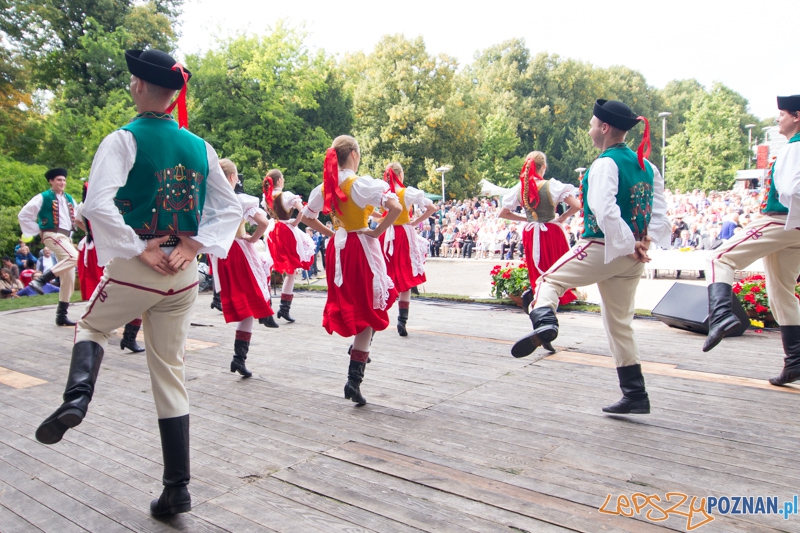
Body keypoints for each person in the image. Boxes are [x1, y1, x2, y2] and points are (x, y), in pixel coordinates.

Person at [33, 49, 241, 518]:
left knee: (90, 327)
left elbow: (96, 206)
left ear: (141, 86)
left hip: (139, 266)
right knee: (170, 373)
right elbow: (230, 209)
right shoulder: (201, 147)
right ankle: (177, 490)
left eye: (132, 81)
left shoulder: (123, 139)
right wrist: (192, 246)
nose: (130, 86)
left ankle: (77, 398)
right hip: (184, 274)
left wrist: (140, 247)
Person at [512, 99, 670, 415]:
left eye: (591, 124)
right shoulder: (646, 166)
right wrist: (644, 240)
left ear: (604, 127)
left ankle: (545, 322)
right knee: (619, 324)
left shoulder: (605, 164)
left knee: (548, 279)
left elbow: (603, 210)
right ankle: (635, 393)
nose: (588, 129)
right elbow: (659, 210)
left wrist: (627, 243)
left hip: (604, 246)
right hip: (633, 254)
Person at [704, 95, 800, 388]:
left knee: (721, 257)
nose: (778, 119)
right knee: (781, 290)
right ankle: (795, 360)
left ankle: (720, 315)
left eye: (781, 114)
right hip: (791, 227)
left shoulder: (794, 148)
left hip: (782, 220)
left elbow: (792, 189)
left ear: (797, 116)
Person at [301, 135, 401, 406]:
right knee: (369, 309)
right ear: (354, 154)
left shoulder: (325, 187)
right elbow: (395, 206)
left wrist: (331, 232)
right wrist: (377, 231)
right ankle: (354, 378)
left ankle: (360, 351)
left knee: (357, 304)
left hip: (339, 248)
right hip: (360, 245)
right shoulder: (359, 183)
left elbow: (306, 217)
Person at [212, 159, 276, 377]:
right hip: (239, 251)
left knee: (243, 306)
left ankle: (238, 359)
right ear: (232, 178)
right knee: (250, 303)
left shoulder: (211, 199)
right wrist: (252, 239)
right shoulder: (238, 199)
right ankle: (239, 359)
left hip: (221, 254)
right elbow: (264, 223)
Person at [498, 151, 581, 312]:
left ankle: (540, 296)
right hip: (550, 230)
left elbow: (503, 213)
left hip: (531, 231)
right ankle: (558, 295)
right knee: (555, 263)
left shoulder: (520, 188)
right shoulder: (552, 185)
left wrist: (526, 219)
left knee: (536, 265)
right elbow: (576, 205)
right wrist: (562, 217)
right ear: (544, 166)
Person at [75, 180, 145, 352]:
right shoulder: (93, 205)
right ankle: (113, 332)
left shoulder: (112, 202)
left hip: (112, 248)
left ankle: (128, 336)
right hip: (104, 250)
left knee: (136, 293)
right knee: (117, 293)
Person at [379, 162, 437, 336]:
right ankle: (402, 321)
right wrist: (416, 222)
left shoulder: (383, 193)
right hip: (403, 233)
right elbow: (432, 208)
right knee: (406, 276)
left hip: (386, 234)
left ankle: (379, 315)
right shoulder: (406, 192)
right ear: (400, 174)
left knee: (386, 274)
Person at [18, 167, 79, 325]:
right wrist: (39, 229)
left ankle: (61, 315)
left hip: (65, 237)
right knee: (73, 257)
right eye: (59, 180)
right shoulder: (43, 197)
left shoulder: (70, 199)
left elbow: (78, 218)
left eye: (64, 180)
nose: (62, 182)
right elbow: (23, 214)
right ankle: (40, 281)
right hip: (52, 234)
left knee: (69, 278)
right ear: (51, 181)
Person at [263, 168, 316, 322]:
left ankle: (268, 304)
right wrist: (296, 222)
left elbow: (269, 213)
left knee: (270, 264)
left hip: (272, 230)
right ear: (279, 180)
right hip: (286, 230)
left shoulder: (267, 197)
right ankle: (284, 308)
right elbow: (303, 210)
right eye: (283, 177)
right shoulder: (286, 195)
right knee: (291, 270)